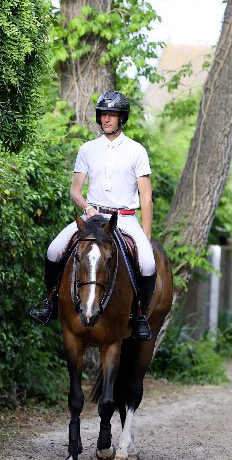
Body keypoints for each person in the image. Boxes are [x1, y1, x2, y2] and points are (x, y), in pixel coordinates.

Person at [28, 91, 156, 341]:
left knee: (149, 264)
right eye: (103, 114)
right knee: (54, 250)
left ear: (122, 118)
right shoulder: (87, 149)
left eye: (112, 115)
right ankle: (51, 302)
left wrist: (146, 236)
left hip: (126, 218)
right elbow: (75, 191)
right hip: (93, 216)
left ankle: (140, 315)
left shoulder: (136, 151)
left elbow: (146, 198)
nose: (106, 119)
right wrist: (87, 208)